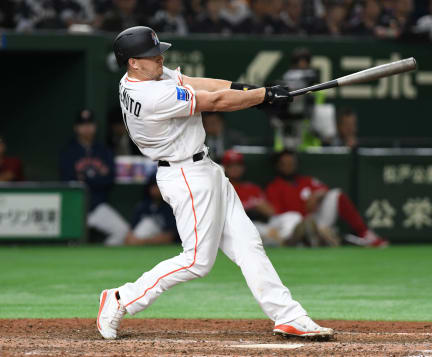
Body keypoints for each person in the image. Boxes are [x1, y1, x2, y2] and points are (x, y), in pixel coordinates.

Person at [97, 25, 334, 341]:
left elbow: (196, 83)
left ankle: (289, 316)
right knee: (196, 261)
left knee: (248, 244)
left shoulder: (144, 77)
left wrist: (246, 89)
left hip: (203, 168)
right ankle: (121, 298)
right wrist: (263, 95)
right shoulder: (152, 95)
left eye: (158, 52)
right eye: (151, 55)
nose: (159, 58)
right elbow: (216, 102)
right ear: (133, 62)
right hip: (185, 176)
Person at [266, 150, 388, 247]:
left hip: (316, 222)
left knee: (335, 194)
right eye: (285, 164)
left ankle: (363, 233)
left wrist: (317, 195)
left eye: (292, 163)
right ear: (278, 166)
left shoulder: (306, 181)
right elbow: (277, 215)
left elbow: (325, 190)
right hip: (293, 226)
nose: (289, 167)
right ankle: (312, 239)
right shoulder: (273, 187)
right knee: (294, 218)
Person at [60, 109, 130, 246]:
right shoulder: (68, 152)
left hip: (97, 206)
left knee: (122, 231)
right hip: (76, 208)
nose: (86, 128)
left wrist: (86, 179)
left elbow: (109, 179)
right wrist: (96, 179)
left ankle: (103, 256)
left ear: (95, 127)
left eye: (89, 124)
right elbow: (68, 181)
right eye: (82, 125)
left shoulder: (103, 151)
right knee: (72, 240)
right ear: (76, 128)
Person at [222, 149, 303, 246]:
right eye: (231, 165)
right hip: (244, 226)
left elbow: (271, 212)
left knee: (294, 216)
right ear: (224, 168)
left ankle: (282, 240)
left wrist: (261, 208)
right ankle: (275, 240)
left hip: (264, 224)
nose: (235, 168)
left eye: (238, 165)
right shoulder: (220, 188)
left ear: (243, 167)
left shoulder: (252, 188)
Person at [125, 174, 178, 246]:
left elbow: (170, 237)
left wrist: (143, 242)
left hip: (159, 246)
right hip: (140, 241)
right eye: (153, 186)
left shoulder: (170, 207)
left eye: (158, 186)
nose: (155, 189)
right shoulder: (142, 206)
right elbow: (129, 234)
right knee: (146, 223)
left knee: (148, 224)